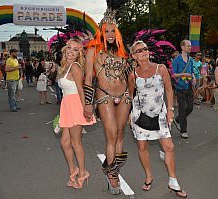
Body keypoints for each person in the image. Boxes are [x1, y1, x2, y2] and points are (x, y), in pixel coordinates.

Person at [83, 6, 132, 195]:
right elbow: (88, 78)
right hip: (104, 95)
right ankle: (112, 175)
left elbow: (129, 76)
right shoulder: (93, 50)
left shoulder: (122, 51)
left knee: (120, 135)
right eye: (107, 31)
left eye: (113, 30)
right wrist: (88, 103)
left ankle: (114, 170)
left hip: (125, 95)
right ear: (101, 32)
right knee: (111, 135)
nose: (110, 34)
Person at [128, 41, 187, 198]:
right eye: (139, 50)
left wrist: (170, 110)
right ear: (133, 56)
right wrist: (129, 113)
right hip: (140, 116)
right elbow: (130, 95)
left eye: (145, 49)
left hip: (160, 114)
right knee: (142, 147)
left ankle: (173, 181)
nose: (144, 52)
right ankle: (149, 175)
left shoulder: (160, 68)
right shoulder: (133, 74)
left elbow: (169, 88)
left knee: (169, 147)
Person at [58, 39, 96, 189]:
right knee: (64, 143)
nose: (70, 51)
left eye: (75, 50)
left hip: (75, 105)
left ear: (79, 53)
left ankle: (82, 173)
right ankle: (73, 170)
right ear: (64, 50)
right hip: (67, 106)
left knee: (75, 142)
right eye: (69, 48)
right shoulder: (65, 66)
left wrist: (86, 107)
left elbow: (81, 89)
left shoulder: (75, 66)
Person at [172, 40, 196, 139]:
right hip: (180, 87)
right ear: (182, 47)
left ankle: (178, 119)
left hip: (189, 86)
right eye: (188, 46)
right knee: (182, 108)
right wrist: (183, 74)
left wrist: (193, 77)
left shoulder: (191, 59)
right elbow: (173, 74)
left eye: (190, 46)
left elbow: (191, 71)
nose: (190, 48)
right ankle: (183, 130)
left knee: (190, 107)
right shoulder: (176, 60)